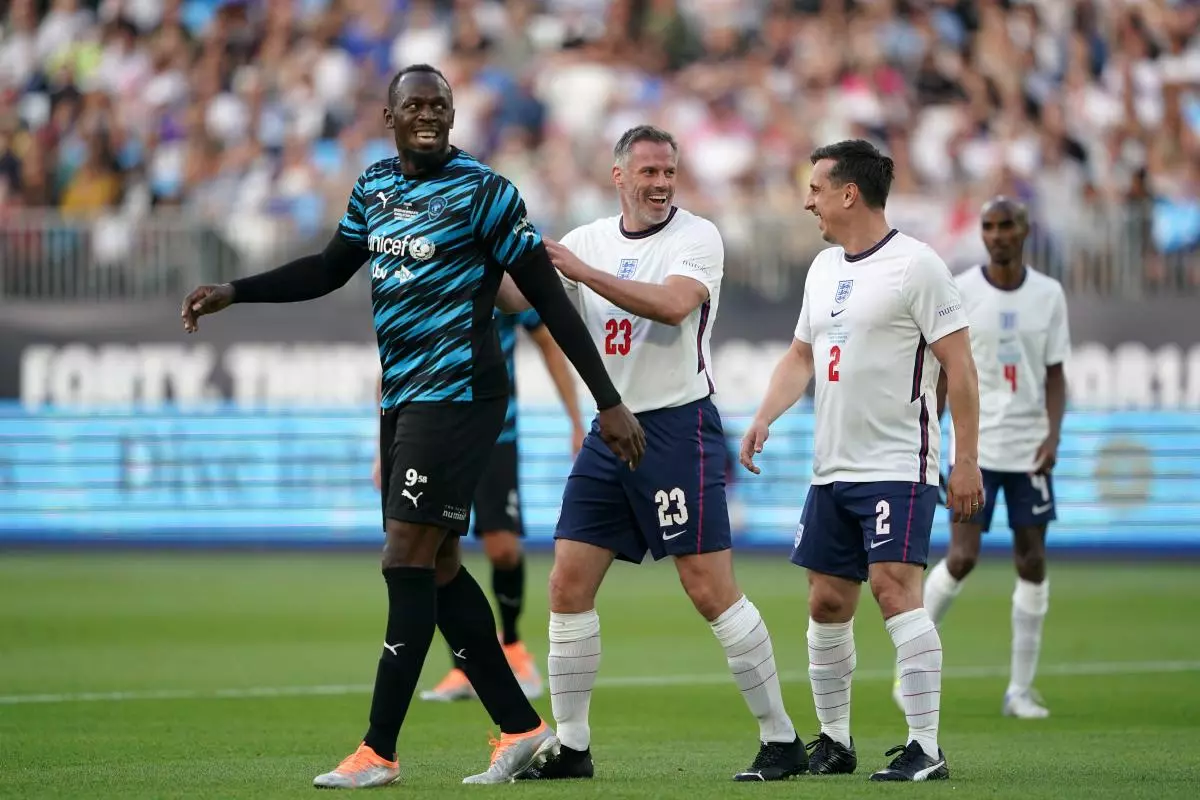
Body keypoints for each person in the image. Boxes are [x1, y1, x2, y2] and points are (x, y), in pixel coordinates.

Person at [179, 64, 645, 789]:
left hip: (460, 397)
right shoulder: (374, 187)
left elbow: (549, 299)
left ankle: (379, 750)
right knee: (439, 565)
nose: (427, 115)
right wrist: (236, 291)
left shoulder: (486, 193)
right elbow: (328, 269)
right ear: (389, 116)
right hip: (401, 398)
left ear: (453, 115)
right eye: (414, 105)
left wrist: (606, 400)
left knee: (403, 557)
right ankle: (521, 728)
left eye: (439, 105)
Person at [513, 124, 805, 783]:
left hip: (677, 428)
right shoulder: (588, 239)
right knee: (566, 583)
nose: (661, 183)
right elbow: (521, 296)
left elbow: (674, 306)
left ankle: (781, 737)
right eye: (648, 172)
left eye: (668, 172)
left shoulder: (696, 237)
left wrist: (582, 273)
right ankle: (573, 748)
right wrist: (494, 255)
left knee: (709, 589)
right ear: (619, 176)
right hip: (610, 429)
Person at [740, 139, 985, 782]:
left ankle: (926, 747)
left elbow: (960, 367)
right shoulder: (823, 269)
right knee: (826, 601)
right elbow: (801, 355)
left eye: (816, 189)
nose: (808, 201)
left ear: (849, 193)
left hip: (898, 462)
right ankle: (835, 741)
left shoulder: (918, 266)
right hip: (832, 467)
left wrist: (966, 460)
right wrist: (765, 415)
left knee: (893, 588)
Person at [900, 197, 1069, 720]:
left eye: (1006, 225)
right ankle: (912, 671)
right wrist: (935, 434)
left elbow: (1055, 373)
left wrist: (1053, 436)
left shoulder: (1049, 295)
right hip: (976, 451)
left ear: (1025, 230)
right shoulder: (961, 290)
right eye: (989, 226)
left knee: (1032, 560)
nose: (997, 235)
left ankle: (1020, 690)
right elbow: (945, 371)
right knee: (962, 557)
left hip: (1029, 449)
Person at [379, 308, 585, 702]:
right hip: (432, 433)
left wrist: (575, 421)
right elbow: (393, 358)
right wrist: (384, 448)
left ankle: (513, 647)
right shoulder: (424, 283)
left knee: (503, 549)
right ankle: (464, 665)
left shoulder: (501, 279)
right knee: (431, 551)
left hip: (494, 431)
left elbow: (547, 340)